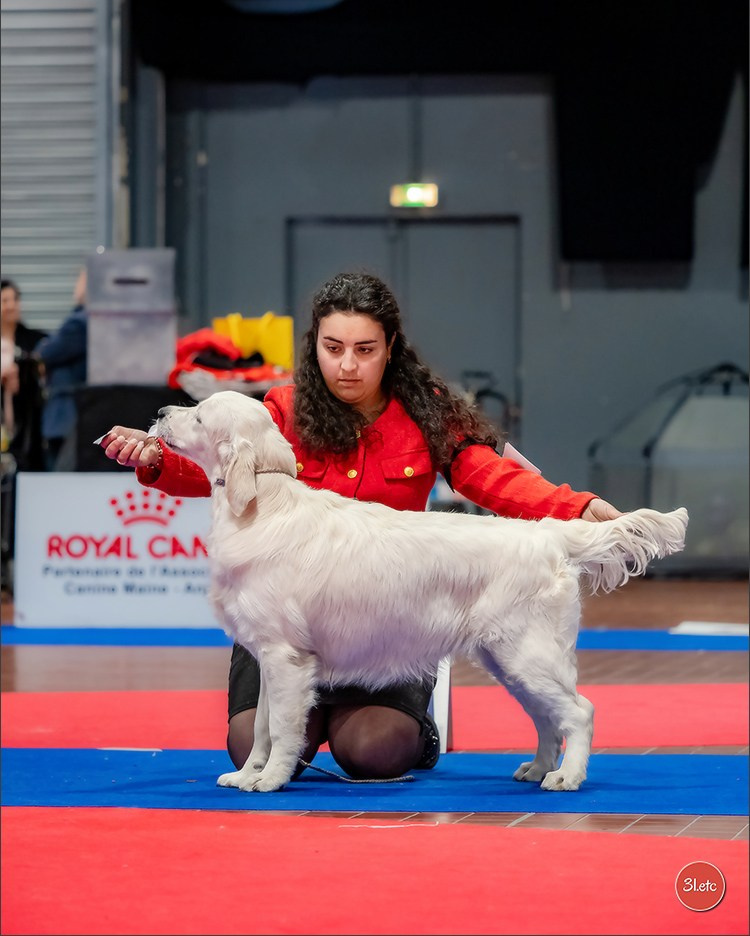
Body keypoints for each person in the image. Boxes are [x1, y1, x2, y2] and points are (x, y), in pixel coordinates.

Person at [100, 271, 623, 780]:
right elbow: (222, 466)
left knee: (372, 752)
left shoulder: (428, 412)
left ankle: (410, 727)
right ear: (315, 346)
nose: (348, 365)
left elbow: (490, 473)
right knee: (247, 750)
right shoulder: (282, 409)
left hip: (388, 619)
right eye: (333, 348)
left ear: (390, 346)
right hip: (289, 611)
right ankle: (308, 718)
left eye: (365, 350)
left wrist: (575, 507)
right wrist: (157, 456)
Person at [34, 268, 88, 471]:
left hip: (66, 418)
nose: (77, 284)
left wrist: (44, 346)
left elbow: (46, 353)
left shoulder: (80, 322)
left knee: (60, 477)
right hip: (71, 419)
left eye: (81, 278)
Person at [1, 279, 47, 472]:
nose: (11, 306)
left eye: (15, 300)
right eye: (4, 301)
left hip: (29, 427)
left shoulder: (36, 340)